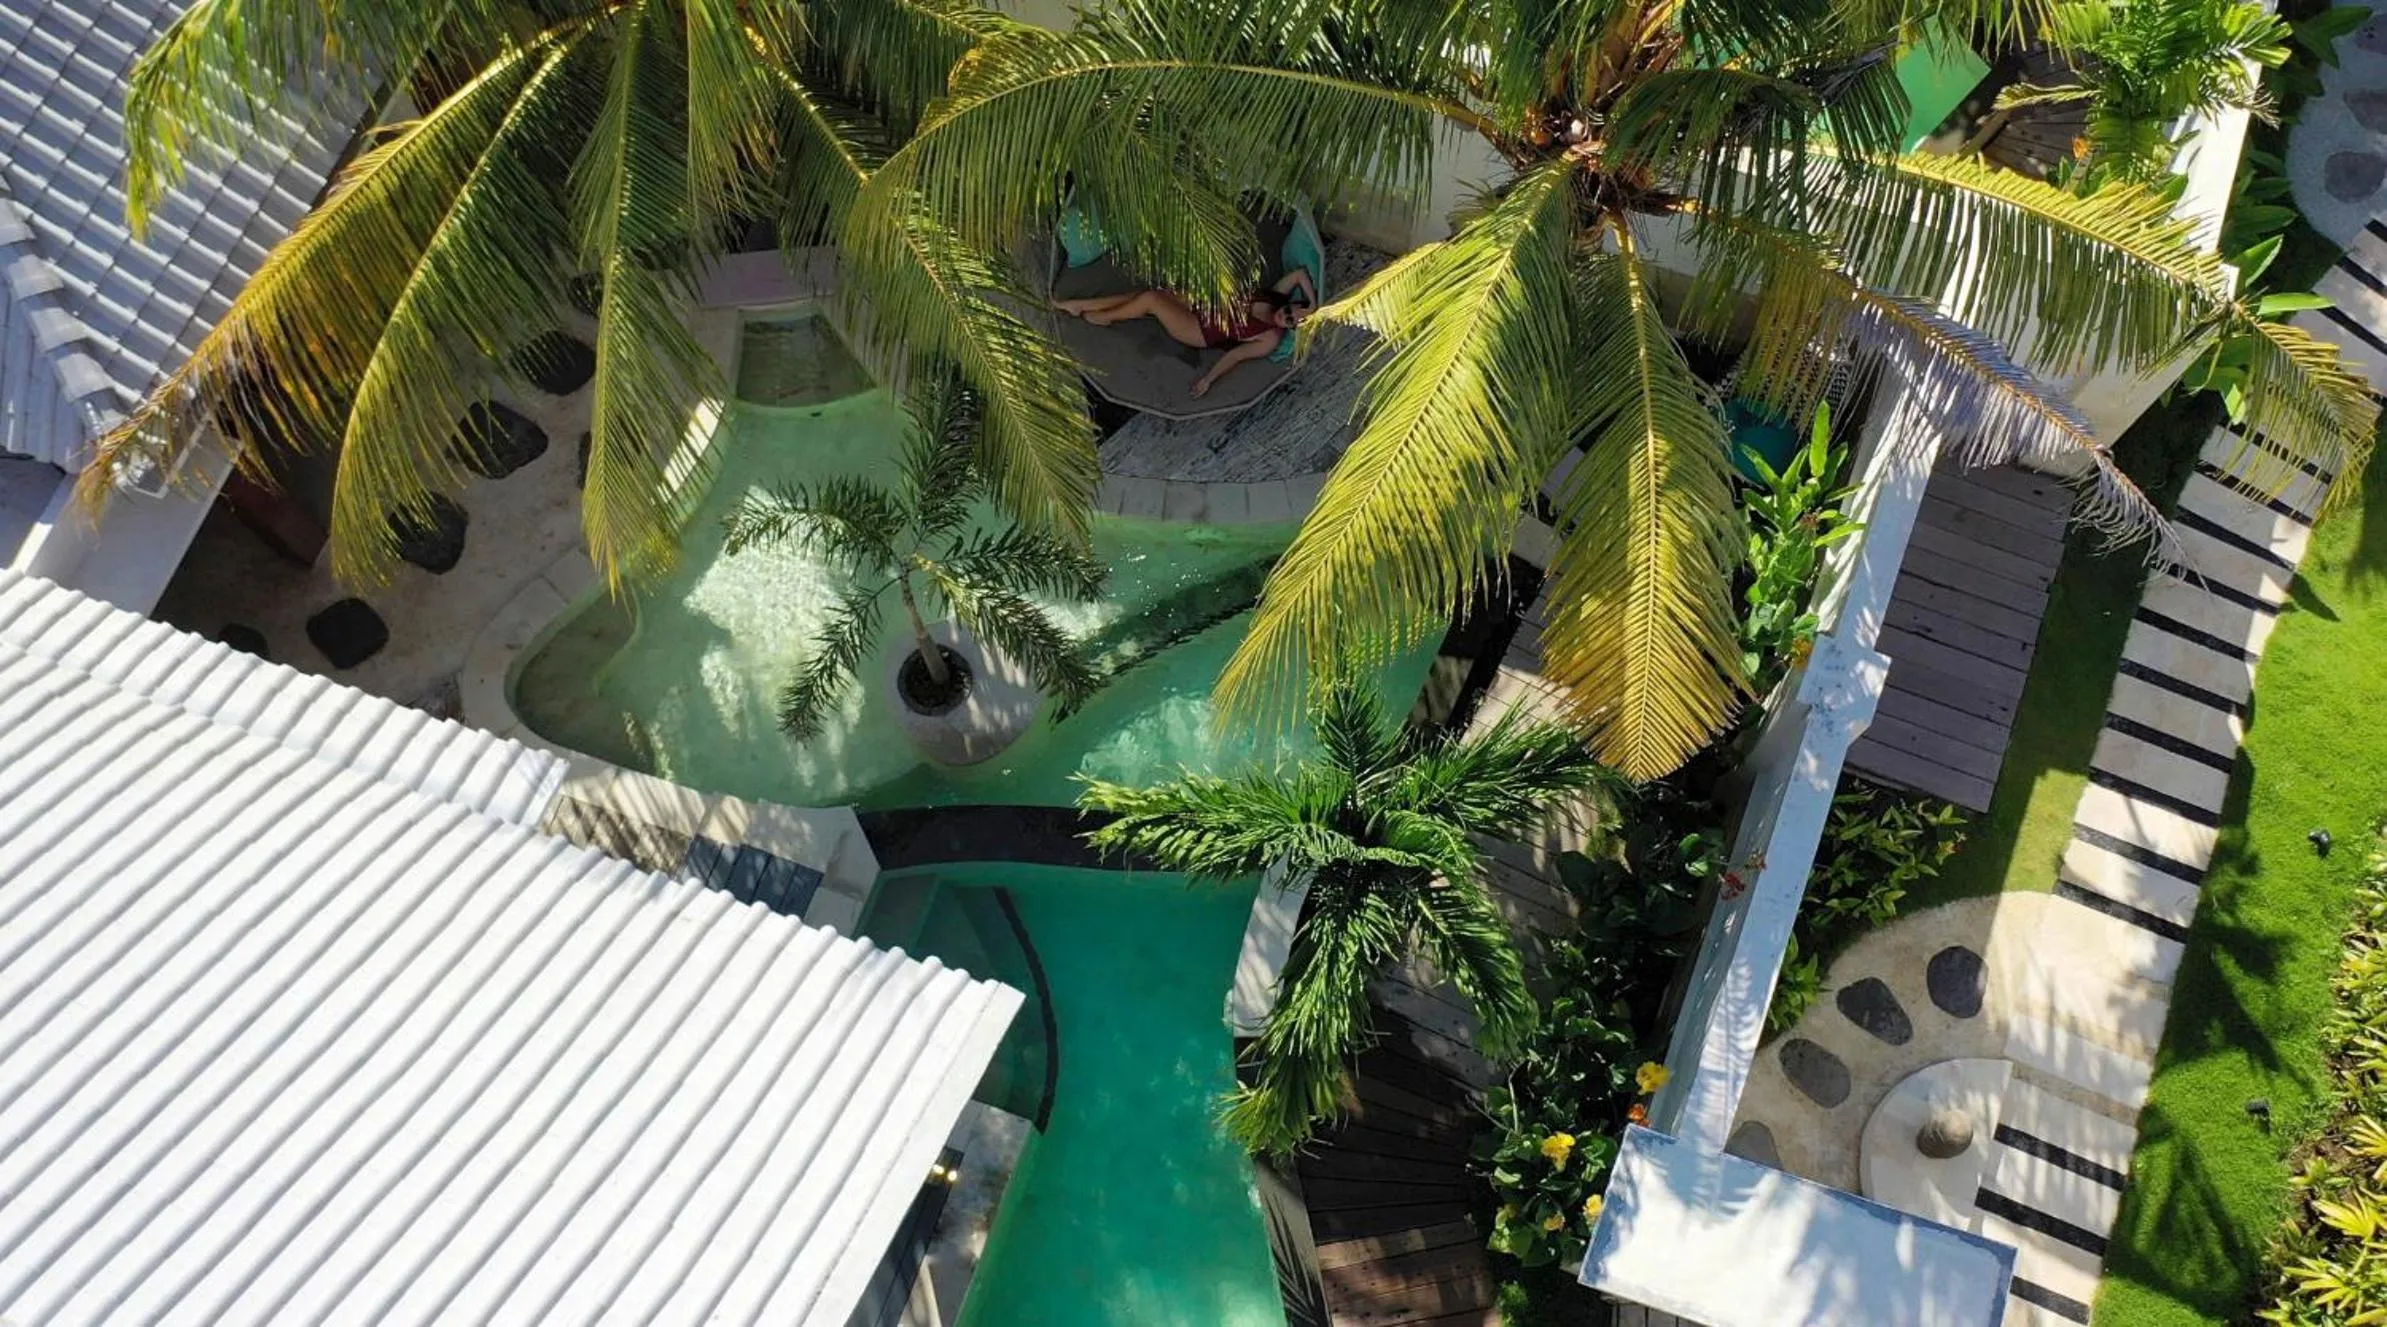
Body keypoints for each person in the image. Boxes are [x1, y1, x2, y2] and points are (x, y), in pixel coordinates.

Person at [1054, 267, 1317, 398]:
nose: (1288, 318)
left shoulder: (1270, 338)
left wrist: (1209, 380)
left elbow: (1236, 356)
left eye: (1292, 323)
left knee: (1151, 300)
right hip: (1201, 306)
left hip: (1198, 330)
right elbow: (1299, 274)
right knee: (1137, 297)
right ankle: (1079, 306)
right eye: (1292, 312)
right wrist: (1314, 305)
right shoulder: (1276, 298)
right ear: (1292, 304)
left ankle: (1104, 318)